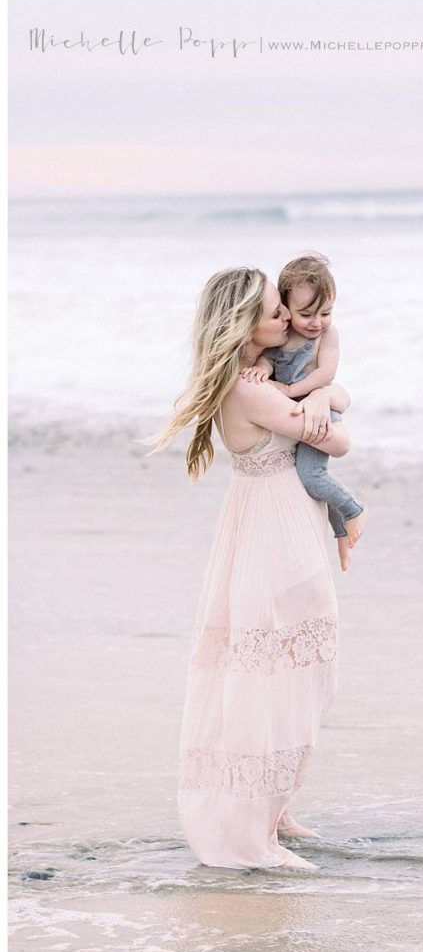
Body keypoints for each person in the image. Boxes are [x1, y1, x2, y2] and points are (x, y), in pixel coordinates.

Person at [142, 266, 352, 870]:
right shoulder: (249, 388)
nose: (286, 318)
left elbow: (339, 401)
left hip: (283, 520)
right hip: (272, 530)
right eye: (273, 312)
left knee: (294, 668)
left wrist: (318, 392)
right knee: (278, 670)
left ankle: (275, 808)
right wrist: (320, 401)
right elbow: (338, 443)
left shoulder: (269, 378)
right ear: (242, 325)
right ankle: (251, 830)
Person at [240, 254, 367, 572]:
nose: (316, 322)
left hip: (319, 413)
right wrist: (261, 369)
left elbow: (325, 375)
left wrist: (289, 392)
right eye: (306, 313)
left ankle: (353, 510)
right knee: (314, 480)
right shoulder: (282, 336)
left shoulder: (327, 335)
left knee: (312, 476)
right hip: (293, 414)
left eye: (326, 312)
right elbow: (270, 361)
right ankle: (340, 531)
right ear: (284, 308)